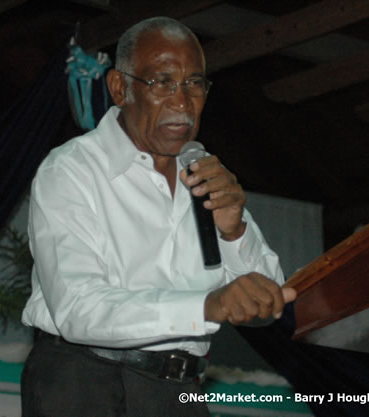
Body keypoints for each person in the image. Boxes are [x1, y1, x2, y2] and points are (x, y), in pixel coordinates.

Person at [20, 16, 296, 417]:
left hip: (181, 392)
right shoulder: (71, 170)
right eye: (162, 82)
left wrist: (234, 230)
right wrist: (206, 305)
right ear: (120, 87)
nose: (182, 103)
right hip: (84, 383)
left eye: (194, 84)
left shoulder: (204, 174)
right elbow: (79, 306)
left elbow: (268, 302)